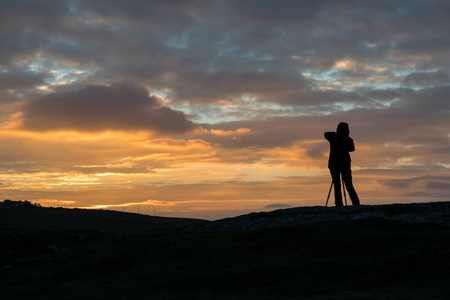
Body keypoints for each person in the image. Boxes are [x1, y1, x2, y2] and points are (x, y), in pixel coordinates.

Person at [324, 122, 360, 206]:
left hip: (335, 164)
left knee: (337, 185)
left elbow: (326, 134)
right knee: (348, 185)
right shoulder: (348, 140)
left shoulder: (333, 137)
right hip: (344, 165)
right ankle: (356, 204)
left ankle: (339, 204)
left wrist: (337, 135)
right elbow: (352, 149)